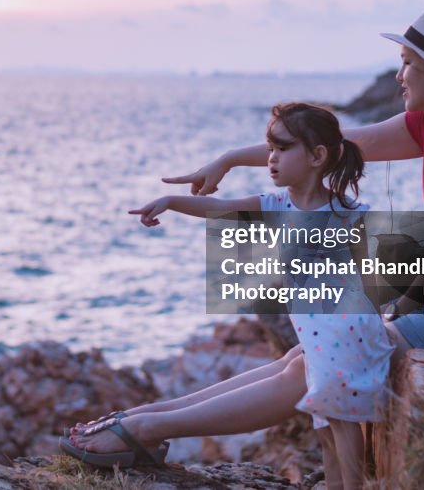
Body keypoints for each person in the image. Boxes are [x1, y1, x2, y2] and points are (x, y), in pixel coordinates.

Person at [64, 8, 424, 484]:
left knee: (318, 362)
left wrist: (385, 310)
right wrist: (229, 159)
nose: (399, 75)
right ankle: (141, 418)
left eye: (407, 63)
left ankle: (145, 428)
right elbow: (328, 144)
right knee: (304, 356)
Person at [63, 103, 392, 490]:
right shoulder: (277, 205)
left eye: (282, 149)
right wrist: (171, 202)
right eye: (270, 148)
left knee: (343, 429)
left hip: (346, 340)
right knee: (325, 431)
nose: (271, 159)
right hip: (317, 341)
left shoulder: (347, 213)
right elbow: (218, 207)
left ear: (318, 156)